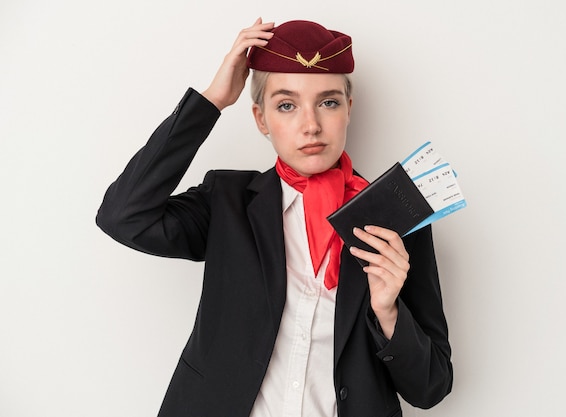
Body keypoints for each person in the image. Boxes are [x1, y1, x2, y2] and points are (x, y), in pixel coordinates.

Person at [96, 18, 452, 417]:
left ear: (348, 109)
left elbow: (431, 386)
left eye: (328, 102)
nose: (311, 125)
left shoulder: (397, 216)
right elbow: (123, 216)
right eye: (286, 105)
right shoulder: (226, 202)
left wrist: (389, 312)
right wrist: (212, 100)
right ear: (261, 119)